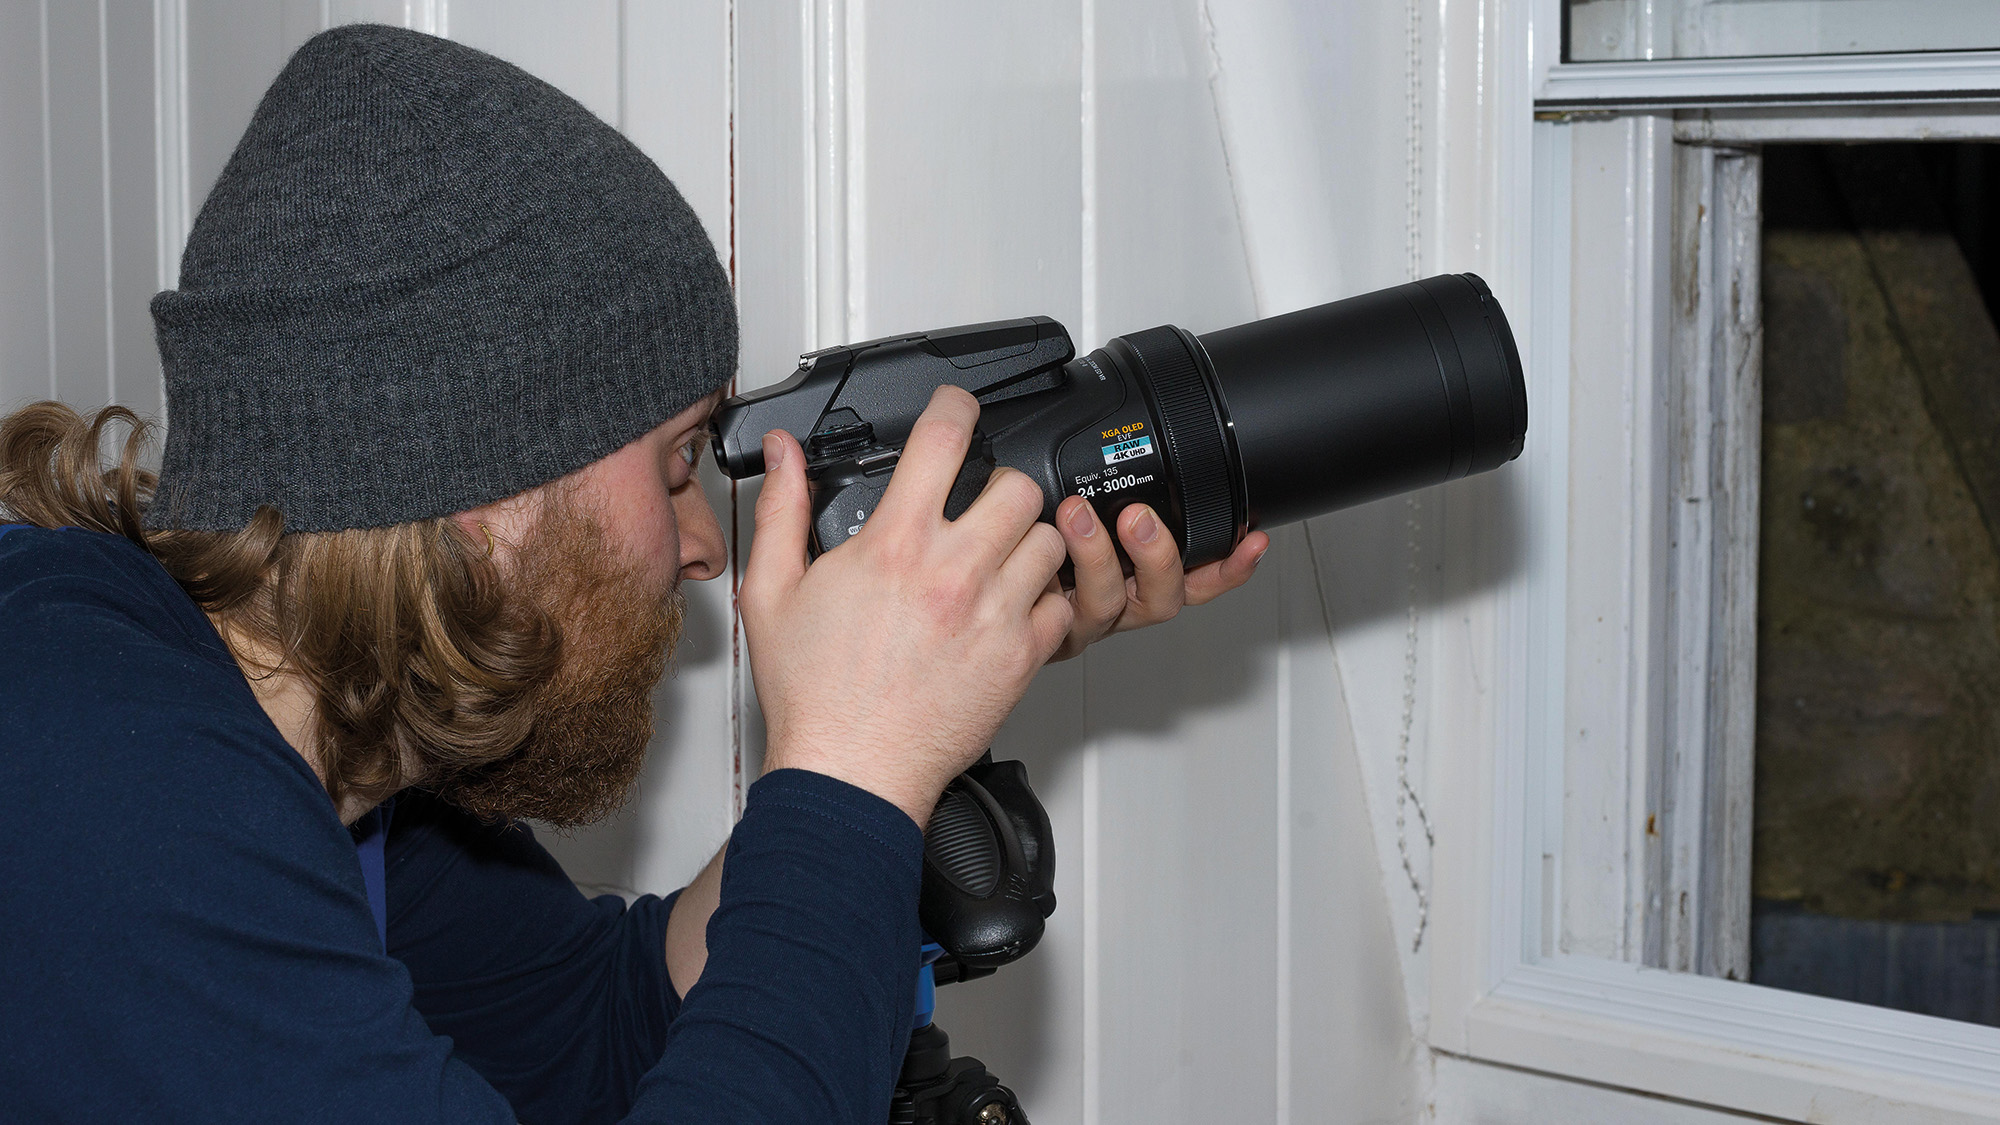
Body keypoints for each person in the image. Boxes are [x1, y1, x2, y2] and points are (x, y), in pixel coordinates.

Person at [0, 24, 1267, 1125]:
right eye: (672, 464)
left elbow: (589, 1034)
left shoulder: (316, 740)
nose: (706, 546)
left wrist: (914, 700)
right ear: (484, 483)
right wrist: (851, 772)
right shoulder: (98, 785)